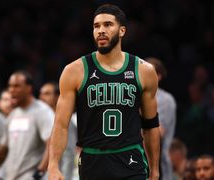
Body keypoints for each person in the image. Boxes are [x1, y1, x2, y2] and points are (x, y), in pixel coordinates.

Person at [48, 4, 160, 180]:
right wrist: (53, 165)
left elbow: (151, 126)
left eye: (108, 25)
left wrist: (155, 170)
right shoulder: (74, 71)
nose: (101, 30)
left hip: (131, 160)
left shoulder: (144, 70)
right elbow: (61, 125)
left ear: (122, 31)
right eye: (96, 26)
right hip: (93, 159)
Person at [0, 71, 55, 180]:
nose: (11, 90)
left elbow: (52, 144)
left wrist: (39, 172)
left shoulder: (42, 111)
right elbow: (2, 152)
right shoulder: (13, 115)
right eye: (10, 86)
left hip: (32, 176)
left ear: (29, 88)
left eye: (16, 86)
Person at [39, 82, 77, 180]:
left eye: (47, 93)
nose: (42, 97)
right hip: (44, 174)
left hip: (58, 174)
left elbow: (69, 153)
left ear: (57, 96)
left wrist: (66, 177)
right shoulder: (42, 118)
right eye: (41, 94)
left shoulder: (64, 120)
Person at [147, 57, 177, 180]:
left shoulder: (165, 100)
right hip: (137, 164)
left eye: (149, 72)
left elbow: (158, 133)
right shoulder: (134, 96)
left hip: (159, 166)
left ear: (158, 76)